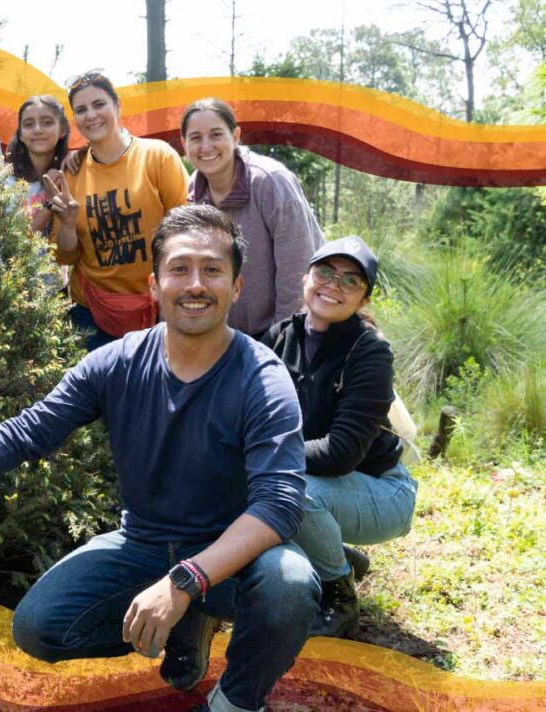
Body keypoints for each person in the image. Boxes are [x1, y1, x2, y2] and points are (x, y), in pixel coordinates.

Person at [0, 205, 320, 712]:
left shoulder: (262, 377)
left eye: (212, 270)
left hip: (232, 556)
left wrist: (186, 581)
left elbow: (279, 504)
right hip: (144, 544)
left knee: (290, 586)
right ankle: (188, 625)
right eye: (179, 269)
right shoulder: (118, 363)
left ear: (236, 286)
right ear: (154, 284)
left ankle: (237, 699)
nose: (195, 284)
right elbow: (29, 430)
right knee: (39, 628)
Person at [260, 236, 417, 639]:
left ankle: (339, 595)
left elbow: (340, 454)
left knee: (292, 491)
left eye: (350, 281)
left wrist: (261, 454)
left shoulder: (369, 351)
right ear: (306, 277)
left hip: (383, 491)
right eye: (325, 272)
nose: (333, 285)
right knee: (237, 479)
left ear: (363, 300)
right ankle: (338, 552)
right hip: (320, 482)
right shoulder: (278, 337)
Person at [46, 71, 189, 351]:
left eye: (99, 104)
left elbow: (187, 231)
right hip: (91, 314)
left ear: (117, 105)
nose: (91, 115)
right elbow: (65, 254)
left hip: (158, 309)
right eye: (81, 110)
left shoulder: (157, 156)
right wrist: (66, 222)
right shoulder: (72, 173)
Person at [181, 97, 323, 339]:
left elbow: (297, 271)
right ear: (184, 144)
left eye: (216, 135)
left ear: (235, 136)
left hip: (280, 334)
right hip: (226, 337)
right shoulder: (196, 188)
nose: (206, 147)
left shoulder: (271, 182)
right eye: (196, 138)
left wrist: (283, 339)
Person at [6, 95, 71, 235]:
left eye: (47, 122)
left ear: (62, 130)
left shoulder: (69, 175)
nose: (37, 130)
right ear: (21, 135)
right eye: (28, 124)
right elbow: (15, 246)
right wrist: (49, 203)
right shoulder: (5, 182)